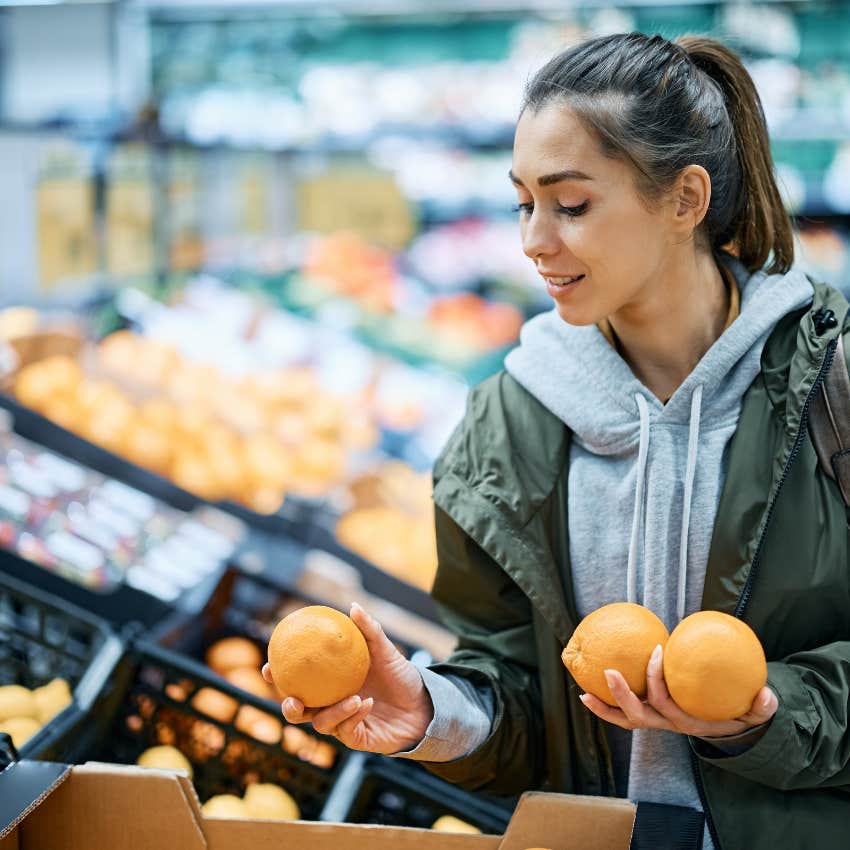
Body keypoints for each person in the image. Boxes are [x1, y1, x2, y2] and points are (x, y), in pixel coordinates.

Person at [263, 33, 850, 850]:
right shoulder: (507, 425)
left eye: (570, 205)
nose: (534, 240)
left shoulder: (834, 387)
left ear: (685, 200)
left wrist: (770, 716)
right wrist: (433, 712)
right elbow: (521, 699)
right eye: (523, 203)